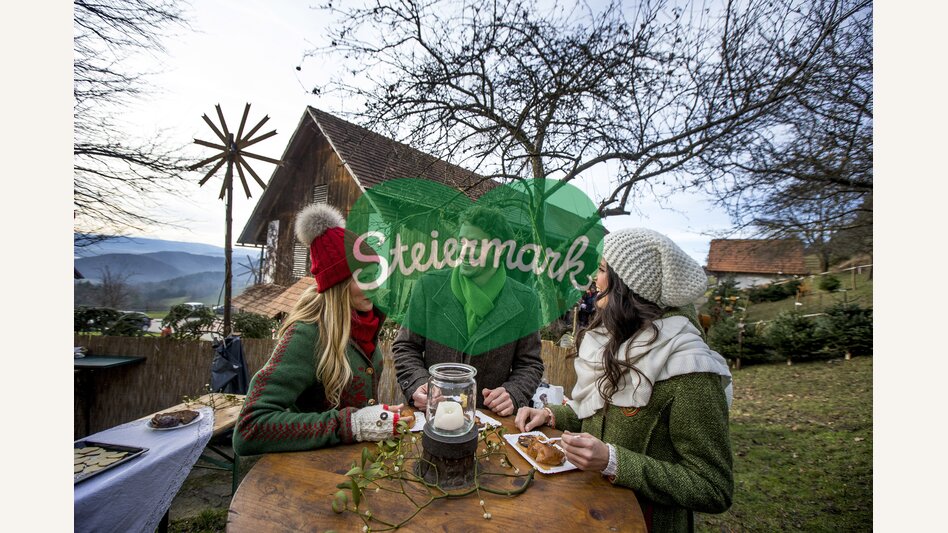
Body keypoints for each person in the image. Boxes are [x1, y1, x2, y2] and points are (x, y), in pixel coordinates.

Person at [515, 228, 734, 532]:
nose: (595, 277)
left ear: (629, 285)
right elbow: (605, 414)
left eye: (603, 269)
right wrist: (552, 414)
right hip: (590, 512)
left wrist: (614, 461)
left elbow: (713, 486)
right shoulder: (622, 338)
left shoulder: (691, 369)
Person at [233, 204, 404, 455]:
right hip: (311, 475)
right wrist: (352, 424)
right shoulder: (307, 335)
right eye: (363, 277)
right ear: (338, 283)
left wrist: (375, 417)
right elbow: (249, 429)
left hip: (351, 469)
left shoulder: (363, 323)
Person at [393, 205, 545, 417]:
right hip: (431, 417)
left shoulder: (525, 300)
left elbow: (530, 364)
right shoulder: (428, 287)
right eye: (462, 242)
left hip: (490, 424)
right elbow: (406, 346)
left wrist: (514, 392)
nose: (464, 251)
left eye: (475, 244)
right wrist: (418, 384)